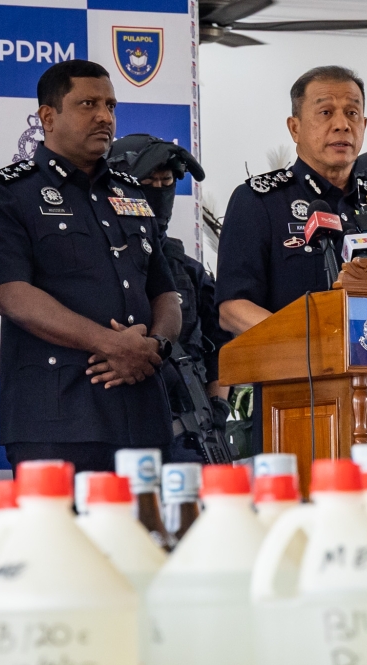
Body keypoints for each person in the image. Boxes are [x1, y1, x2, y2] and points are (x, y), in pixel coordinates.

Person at [0, 60, 181, 472]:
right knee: (55, 538)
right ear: (48, 117)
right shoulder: (5, 194)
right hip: (56, 417)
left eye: (110, 105)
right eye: (88, 104)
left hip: (143, 414)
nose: (104, 116)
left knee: (145, 538)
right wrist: (112, 343)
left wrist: (155, 347)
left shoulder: (133, 195)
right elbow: (14, 297)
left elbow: (165, 293)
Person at [215, 65, 367, 455]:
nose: (342, 125)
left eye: (352, 113)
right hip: (294, 397)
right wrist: (315, 348)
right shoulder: (260, 201)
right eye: (325, 112)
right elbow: (232, 308)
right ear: (294, 128)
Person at [107, 134, 233, 462]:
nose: (160, 189)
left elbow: (222, 346)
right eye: (149, 181)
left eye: (167, 181)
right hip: (118, 428)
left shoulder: (186, 269)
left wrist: (218, 404)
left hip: (192, 432)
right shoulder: (96, 260)